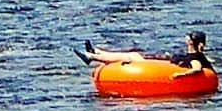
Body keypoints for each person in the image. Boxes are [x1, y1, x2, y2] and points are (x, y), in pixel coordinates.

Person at [83, 32, 213, 72]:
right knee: (133, 54)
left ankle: (92, 56)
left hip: (157, 70)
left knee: (132, 56)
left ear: (191, 42)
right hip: (161, 65)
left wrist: (180, 76)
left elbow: (197, 68)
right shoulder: (194, 55)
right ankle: (96, 52)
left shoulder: (195, 57)